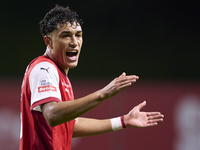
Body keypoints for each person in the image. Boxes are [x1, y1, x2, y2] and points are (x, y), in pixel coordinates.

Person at [19, 5, 164, 150]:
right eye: (66, 35)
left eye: (78, 35)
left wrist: (123, 120)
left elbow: (69, 126)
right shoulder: (44, 68)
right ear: (48, 42)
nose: (74, 42)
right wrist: (102, 94)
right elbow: (52, 114)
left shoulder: (59, 74)